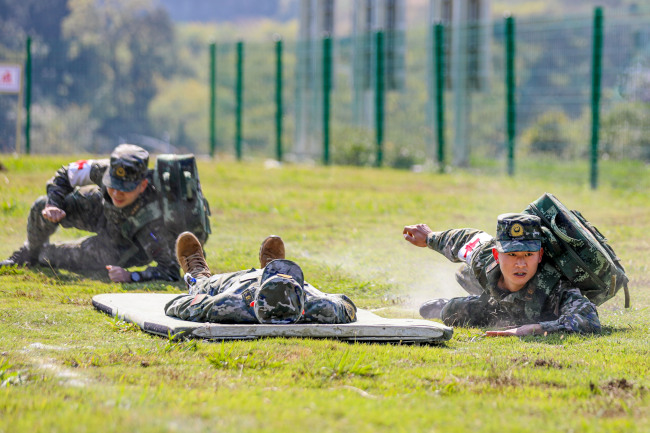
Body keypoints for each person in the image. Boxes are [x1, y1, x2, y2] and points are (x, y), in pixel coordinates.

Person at [1, 144, 180, 283]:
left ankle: (39, 255)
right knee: (41, 206)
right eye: (113, 184)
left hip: (120, 245)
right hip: (99, 209)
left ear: (142, 186)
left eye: (125, 188)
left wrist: (131, 276)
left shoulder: (153, 217)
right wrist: (53, 205)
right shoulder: (101, 169)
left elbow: (170, 270)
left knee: (51, 257)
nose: (117, 193)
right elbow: (65, 173)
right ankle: (28, 253)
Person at [403, 213, 601, 336]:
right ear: (497, 254)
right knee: (451, 311)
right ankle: (447, 303)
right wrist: (430, 238)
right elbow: (463, 240)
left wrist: (532, 329)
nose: (520, 263)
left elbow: (588, 319)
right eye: (512, 254)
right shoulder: (484, 256)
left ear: (540, 255)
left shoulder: (555, 284)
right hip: (496, 300)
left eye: (528, 255)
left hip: (532, 315)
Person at [165, 232, 357, 325]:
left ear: (253, 302)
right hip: (295, 291)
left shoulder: (228, 305)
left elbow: (177, 304)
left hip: (240, 283)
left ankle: (199, 273)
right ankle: (271, 264)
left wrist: (197, 292)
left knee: (202, 286)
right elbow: (347, 304)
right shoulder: (321, 308)